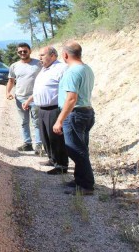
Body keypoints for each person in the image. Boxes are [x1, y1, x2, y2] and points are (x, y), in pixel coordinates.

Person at [53, 41, 96, 195]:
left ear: (65, 55)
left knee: (76, 151)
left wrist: (59, 120)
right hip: (87, 112)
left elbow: (71, 98)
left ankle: (86, 185)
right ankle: (79, 180)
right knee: (81, 148)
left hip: (75, 115)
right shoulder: (86, 69)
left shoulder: (72, 72)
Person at [22, 46, 69, 174]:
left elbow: (67, 90)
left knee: (56, 138)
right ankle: (52, 159)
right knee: (45, 137)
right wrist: (29, 100)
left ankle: (61, 165)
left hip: (54, 109)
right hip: (41, 108)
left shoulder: (62, 68)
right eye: (40, 55)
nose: (40, 58)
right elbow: (40, 88)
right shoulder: (44, 69)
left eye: (42, 55)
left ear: (53, 55)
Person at [6, 43, 42, 152]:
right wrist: (8, 92)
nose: (22, 53)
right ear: (17, 53)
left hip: (35, 98)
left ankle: (39, 146)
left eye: (25, 51)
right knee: (24, 122)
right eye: (20, 52)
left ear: (30, 51)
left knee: (37, 122)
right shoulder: (14, 66)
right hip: (20, 98)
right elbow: (11, 80)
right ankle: (27, 144)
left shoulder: (39, 64)